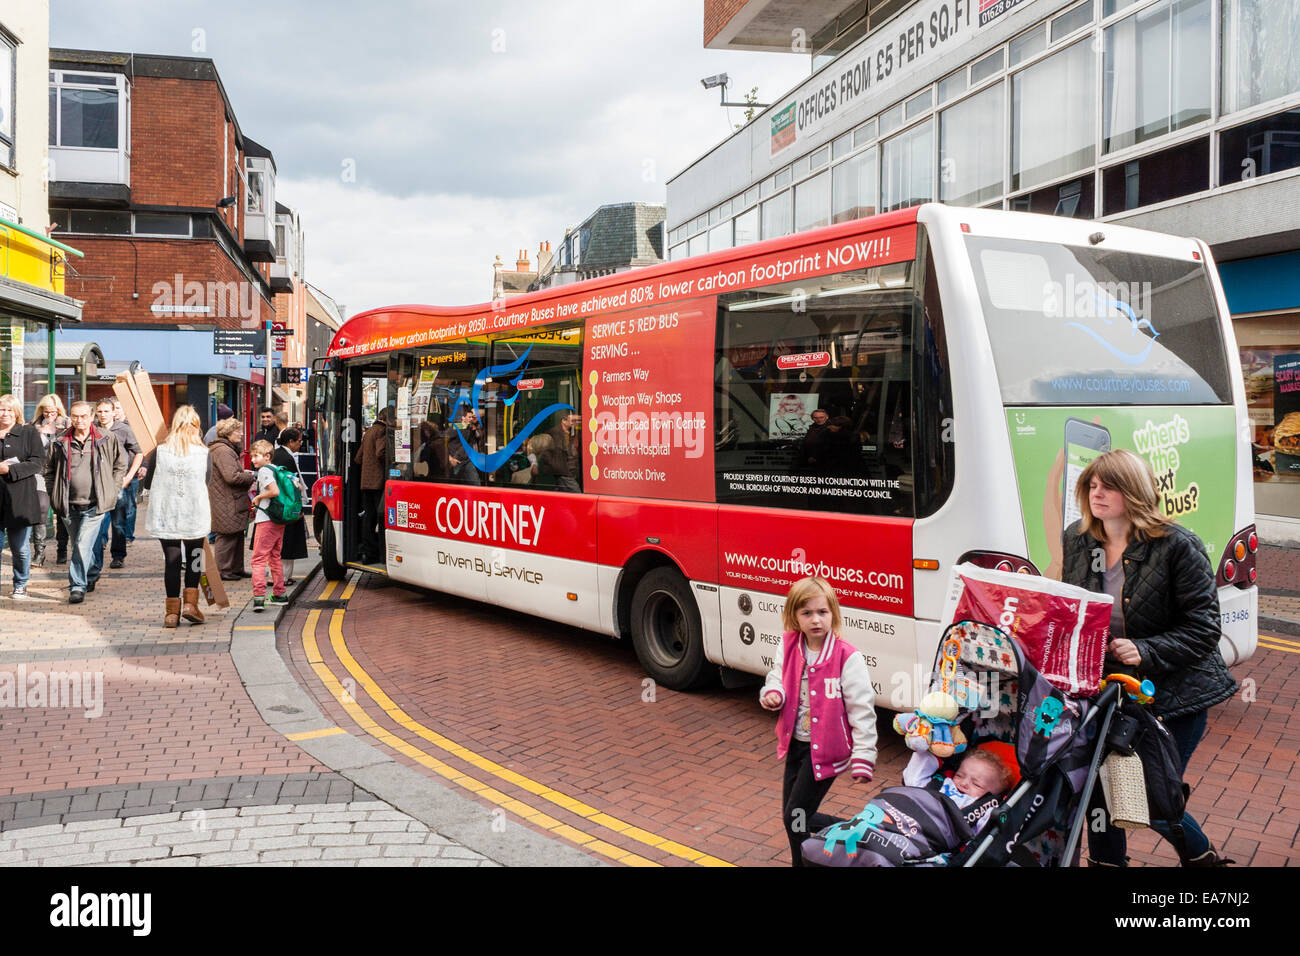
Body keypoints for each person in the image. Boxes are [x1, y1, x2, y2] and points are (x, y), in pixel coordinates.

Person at [1061, 448, 1237, 867]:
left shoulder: (1176, 545)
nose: (1096, 493)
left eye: (1109, 485)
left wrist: (1145, 650)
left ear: (1135, 491)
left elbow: (1204, 630)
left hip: (1173, 694)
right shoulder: (1078, 537)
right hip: (1107, 692)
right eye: (1092, 485)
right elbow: (1078, 607)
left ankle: (1202, 859)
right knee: (1101, 793)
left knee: (1152, 794)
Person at [760, 576, 878, 866]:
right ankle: (852, 829)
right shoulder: (789, 646)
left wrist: (864, 755)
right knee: (796, 815)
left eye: (822, 612)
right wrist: (773, 692)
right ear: (794, 617)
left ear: (833, 614)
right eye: (807, 613)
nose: (816, 620)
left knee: (794, 816)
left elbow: (861, 709)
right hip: (796, 745)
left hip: (826, 750)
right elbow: (777, 676)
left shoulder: (847, 657)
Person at [45, 400, 127, 603]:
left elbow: (120, 464)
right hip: (68, 504)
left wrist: (113, 489)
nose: (78, 420)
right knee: (80, 545)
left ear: (92, 417)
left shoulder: (107, 438)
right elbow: (48, 470)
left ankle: (77, 586)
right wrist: (53, 493)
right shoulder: (60, 440)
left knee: (82, 545)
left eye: (83, 416)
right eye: (75, 416)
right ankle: (90, 572)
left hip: (95, 505)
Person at [146, 406, 211, 627]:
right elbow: (207, 480)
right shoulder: (203, 453)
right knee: (194, 558)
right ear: (197, 426)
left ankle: (171, 614)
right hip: (194, 512)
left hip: (168, 513)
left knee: (172, 561)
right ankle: (191, 606)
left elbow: (148, 482)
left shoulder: (161, 451)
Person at [89, 399, 143, 575]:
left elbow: (139, 452)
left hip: (118, 482)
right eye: (100, 411)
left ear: (114, 412)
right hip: (97, 483)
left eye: (106, 411)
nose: (103, 415)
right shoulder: (92, 429)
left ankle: (118, 556)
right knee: (97, 521)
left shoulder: (124, 429)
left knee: (118, 522)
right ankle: (96, 559)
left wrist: (128, 476)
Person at [0, 395, 46, 600]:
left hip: (20, 497)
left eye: (10, 410)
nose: (5, 414)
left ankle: (20, 583)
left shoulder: (28, 432)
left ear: (17, 412)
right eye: (2, 409)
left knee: (19, 548)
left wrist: (9, 469)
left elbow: (38, 463)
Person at [206, 417, 255, 580]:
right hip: (227, 501)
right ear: (228, 433)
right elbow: (231, 477)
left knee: (236, 534)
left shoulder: (224, 449)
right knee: (227, 536)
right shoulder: (223, 450)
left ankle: (235, 568)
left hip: (229, 499)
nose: (241, 434)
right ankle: (224, 570)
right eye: (238, 431)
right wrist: (249, 477)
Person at [249, 438, 288, 611]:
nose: (253, 460)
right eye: (252, 456)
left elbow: (274, 491)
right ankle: (279, 594)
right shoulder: (276, 469)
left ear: (267, 456)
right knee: (274, 557)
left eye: (256, 456)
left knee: (258, 559)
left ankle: (259, 597)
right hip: (278, 520)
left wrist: (258, 497)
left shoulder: (265, 470)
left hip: (266, 520)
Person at [31, 394, 69, 566]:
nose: (49, 415)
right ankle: (40, 552)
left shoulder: (67, 424)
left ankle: (62, 550)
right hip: (40, 473)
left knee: (62, 512)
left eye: (53, 412)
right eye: (46, 412)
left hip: (61, 473)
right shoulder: (34, 426)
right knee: (40, 507)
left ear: (58, 411)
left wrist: (54, 432)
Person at [272, 427, 309, 583]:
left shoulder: (280, 454)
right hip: (287, 508)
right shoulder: (286, 458)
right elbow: (292, 486)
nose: (300, 444)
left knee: (282, 542)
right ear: (290, 441)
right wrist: (297, 509)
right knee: (287, 542)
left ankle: (281, 577)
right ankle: (283, 578)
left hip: (280, 506)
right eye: (299, 441)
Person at [354, 408, 389, 563]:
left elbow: (358, 458)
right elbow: (381, 453)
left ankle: (368, 553)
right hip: (378, 482)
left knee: (369, 518)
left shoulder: (369, 432)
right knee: (381, 519)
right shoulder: (382, 431)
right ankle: (381, 554)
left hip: (366, 482)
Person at [111, 398, 147, 544]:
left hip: (131, 471)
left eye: (118, 408)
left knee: (129, 506)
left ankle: (127, 536)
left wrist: (144, 465)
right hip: (112, 473)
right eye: (115, 408)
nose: (116, 411)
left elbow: (142, 447)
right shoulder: (107, 427)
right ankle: (106, 539)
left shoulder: (132, 427)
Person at [539, 412, 582, 492]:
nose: (575, 423)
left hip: (573, 471)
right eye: (573, 421)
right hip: (562, 471)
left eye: (577, 420)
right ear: (564, 421)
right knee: (577, 493)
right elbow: (545, 451)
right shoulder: (553, 433)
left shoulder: (574, 432)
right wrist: (556, 466)